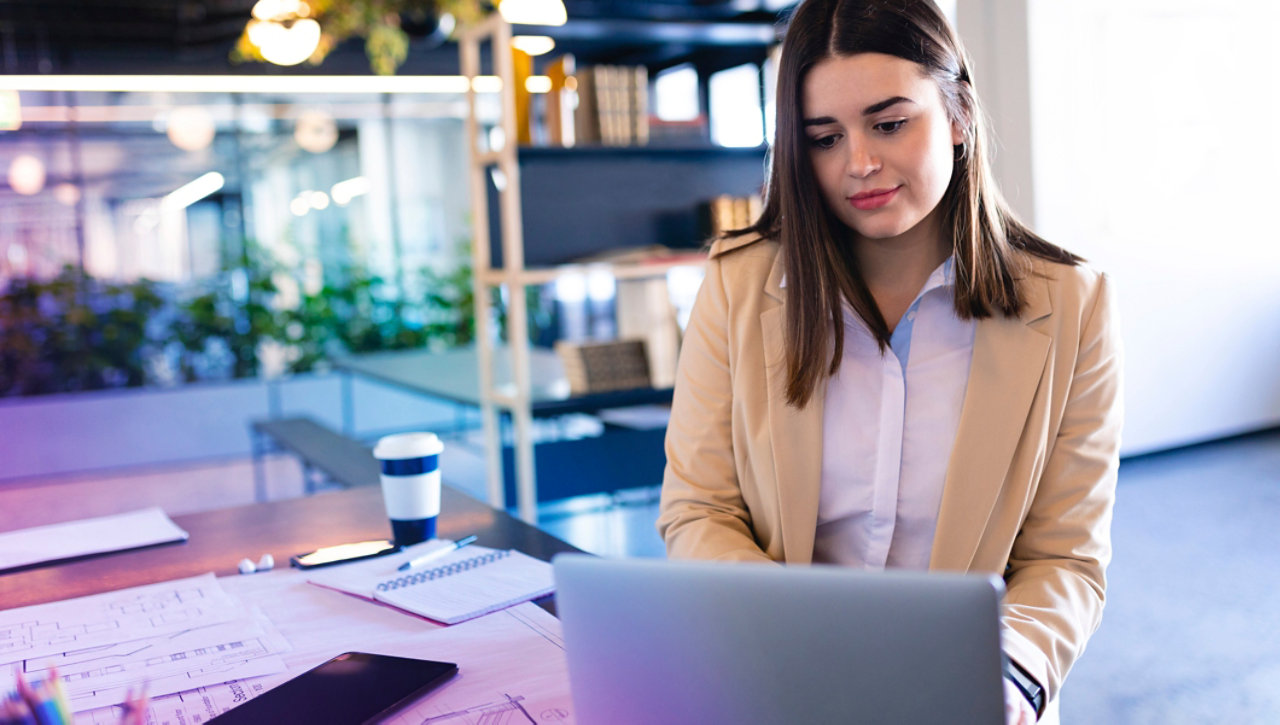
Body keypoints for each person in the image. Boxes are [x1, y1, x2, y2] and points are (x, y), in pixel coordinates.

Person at [655, 0, 1122, 722]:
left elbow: (1065, 558)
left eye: (890, 122)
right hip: (789, 680)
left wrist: (1006, 677)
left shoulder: (1072, 305)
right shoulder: (739, 284)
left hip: (970, 689)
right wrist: (787, 636)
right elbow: (699, 508)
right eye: (824, 137)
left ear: (959, 114)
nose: (859, 163)